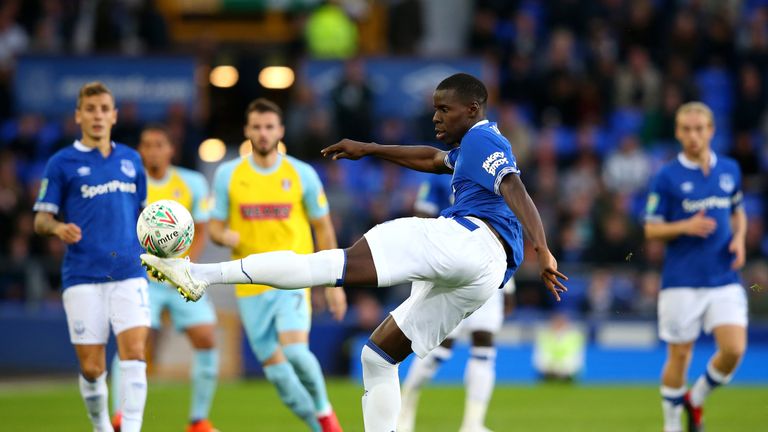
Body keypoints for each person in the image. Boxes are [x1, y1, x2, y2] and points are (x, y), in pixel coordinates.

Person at [141, 73, 567, 432]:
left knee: (325, 264)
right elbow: (433, 159)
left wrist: (543, 249)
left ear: (473, 108)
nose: (435, 116)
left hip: (467, 240)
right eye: (435, 109)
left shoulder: (481, 140)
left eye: (444, 110)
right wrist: (370, 149)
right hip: (486, 277)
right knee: (378, 357)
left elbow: (513, 185)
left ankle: (201, 275)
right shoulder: (470, 147)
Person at [204, 98, 346, 431]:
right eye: (257, 127)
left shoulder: (301, 173)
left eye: (269, 127)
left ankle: (326, 415)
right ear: (247, 130)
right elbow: (214, 226)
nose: (263, 133)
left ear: (280, 130)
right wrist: (226, 238)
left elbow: (323, 227)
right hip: (250, 284)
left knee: (296, 353)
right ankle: (319, 426)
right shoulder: (229, 174)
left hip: (293, 277)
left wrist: (335, 283)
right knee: (280, 378)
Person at [33, 82, 149, 432]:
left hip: (130, 271)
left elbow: (146, 216)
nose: (98, 115)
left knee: (135, 354)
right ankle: (101, 425)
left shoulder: (131, 159)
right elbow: (40, 218)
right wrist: (57, 229)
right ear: (78, 115)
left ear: (114, 115)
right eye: (91, 108)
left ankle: (129, 428)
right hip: (83, 276)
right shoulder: (61, 162)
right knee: (93, 369)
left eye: (104, 109)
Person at [644, 102, 748, 432]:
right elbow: (650, 228)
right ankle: (672, 424)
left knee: (733, 349)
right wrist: (684, 227)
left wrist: (740, 238)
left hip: (723, 277)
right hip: (681, 280)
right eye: (686, 129)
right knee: (680, 356)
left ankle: (697, 397)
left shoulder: (730, 169)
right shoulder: (667, 175)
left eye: (699, 129)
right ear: (677, 133)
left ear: (711, 131)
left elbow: (737, 210)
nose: (693, 136)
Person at [111, 125, 219, 432]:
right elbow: (121, 230)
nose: (153, 150)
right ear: (140, 150)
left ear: (170, 149)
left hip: (181, 274)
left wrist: (182, 266)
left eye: (159, 144)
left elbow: (201, 228)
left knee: (207, 338)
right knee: (133, 343)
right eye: (147, 145)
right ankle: (120, 415)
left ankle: (198, 420)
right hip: (142, 278)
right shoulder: (129, 184)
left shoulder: (193, 182)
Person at [398, 172, 516, 432]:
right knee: (438, 349)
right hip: (454, 267)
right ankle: (406, 404)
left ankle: (473, 423)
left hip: (490, 266)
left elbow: (506, 227)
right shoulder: (444, 175)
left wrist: (510, 283)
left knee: (484, 343)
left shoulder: (498, 175)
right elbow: (420, 216)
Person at [532, 312, 585, 382]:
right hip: (548, 372)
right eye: (556, 322)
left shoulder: (574, 336)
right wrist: (550, 368)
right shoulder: (544, 336)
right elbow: (540, 357)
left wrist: (563, 369)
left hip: (567, 373)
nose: (558, 324)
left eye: (561, 322)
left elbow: (576, 358)